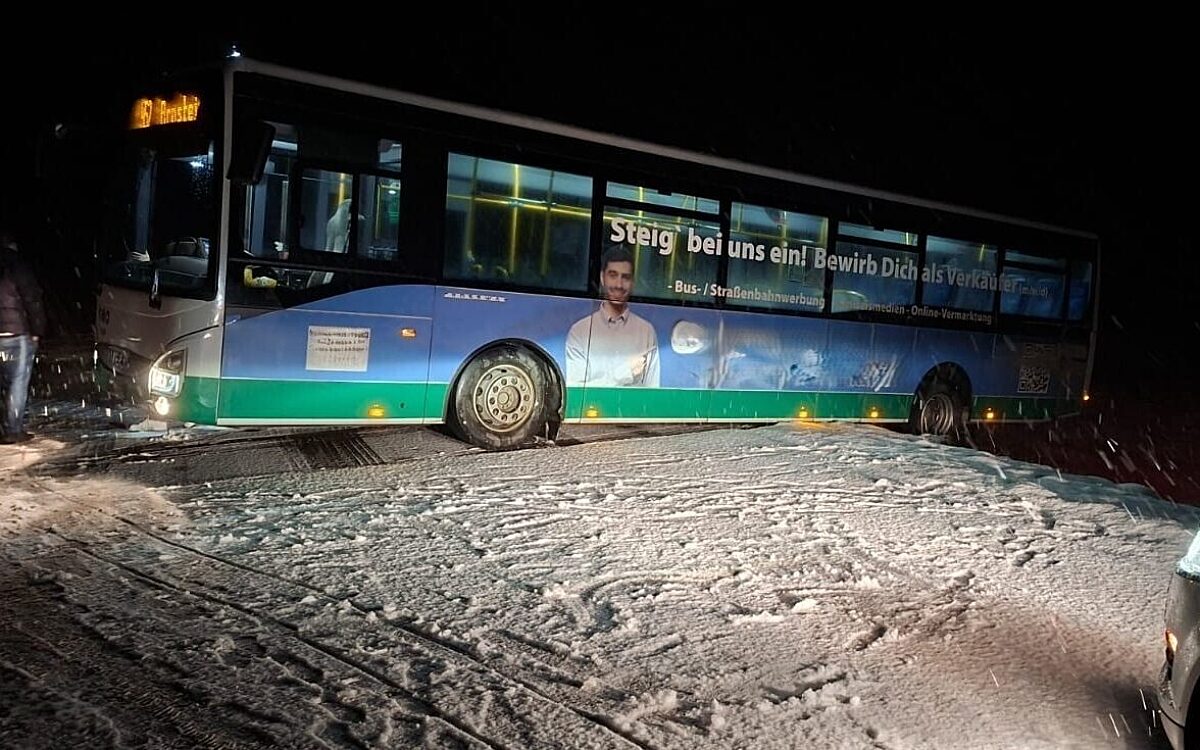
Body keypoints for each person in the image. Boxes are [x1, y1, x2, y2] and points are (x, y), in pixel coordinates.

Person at [566, 245, 659, 387]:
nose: (619, 284)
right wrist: (624, 374)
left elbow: (653, 392)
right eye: (613, 275)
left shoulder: (646, 331)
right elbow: (576, 390)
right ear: (602, 278)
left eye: (625, 277)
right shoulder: (579, 332)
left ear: (632, 282)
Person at [0, 230, 46, 444]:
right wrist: (37, 330)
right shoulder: (18, 266)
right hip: (16, 334)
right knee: (17, 382)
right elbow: (32, 299)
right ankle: (12, 430)